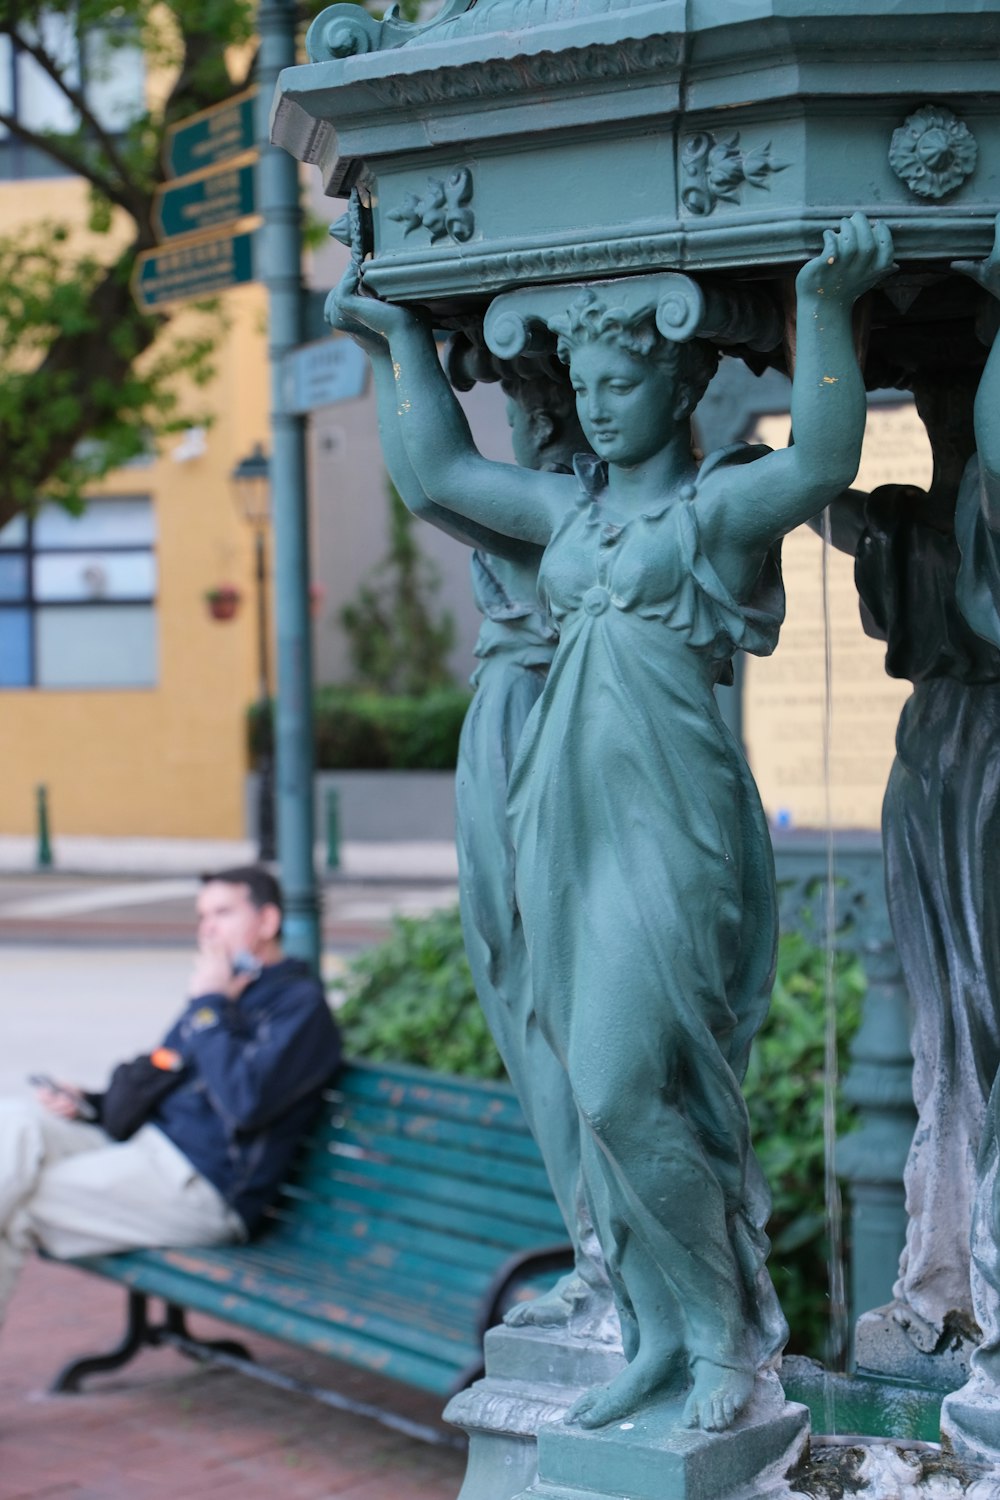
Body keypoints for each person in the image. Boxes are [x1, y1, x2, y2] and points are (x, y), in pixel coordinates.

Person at [331, 212, 895, 1433]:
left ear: (679, 382)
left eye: (621, 382)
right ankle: (657, 1333)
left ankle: (727, 1342)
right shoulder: (570, 520)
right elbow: (436, 478)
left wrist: (823, 307)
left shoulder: (708, 512)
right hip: (567, 827)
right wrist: (393, 350)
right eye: (583, 384)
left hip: (670, 829)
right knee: (597, 1096)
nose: (594, 405)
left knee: (627, 1082)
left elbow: (820, 466)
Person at [330, 288, 615, 1336]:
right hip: (508, 713)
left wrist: (396, 344)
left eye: (549, 401)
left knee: (569, 991)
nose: (530, 421)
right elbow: (433, 480)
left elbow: (434, 480)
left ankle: (619, 1251)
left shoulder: (594, 499)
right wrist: (388, 349)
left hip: (553, 715)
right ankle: (596, 1244)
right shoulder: (547, 492)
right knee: (520, 985)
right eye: (524, 403)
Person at [816, 220, 1000, 1357]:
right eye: (930, 396)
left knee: (977, 1018)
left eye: (956, 392)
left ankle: (967, 1274)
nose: (937, 414)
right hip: (940, 753)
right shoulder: (920, 522)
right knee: (948, 1030)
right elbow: (824, 492)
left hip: (970, 759)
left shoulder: (968, 517)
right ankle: (945, 1273)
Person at [0, 866, 342, 1329]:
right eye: (203, 916)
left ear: (267, 922)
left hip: (200, 1188)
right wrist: (92, 1104)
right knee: (15, 1119)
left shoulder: (298, 1008)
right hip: (145, 1151)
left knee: (18, 1208)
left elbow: (245, 1104)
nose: (208, 929)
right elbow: (162, 1071)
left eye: (222, 913)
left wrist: (207, 1007)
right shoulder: (223, 995)